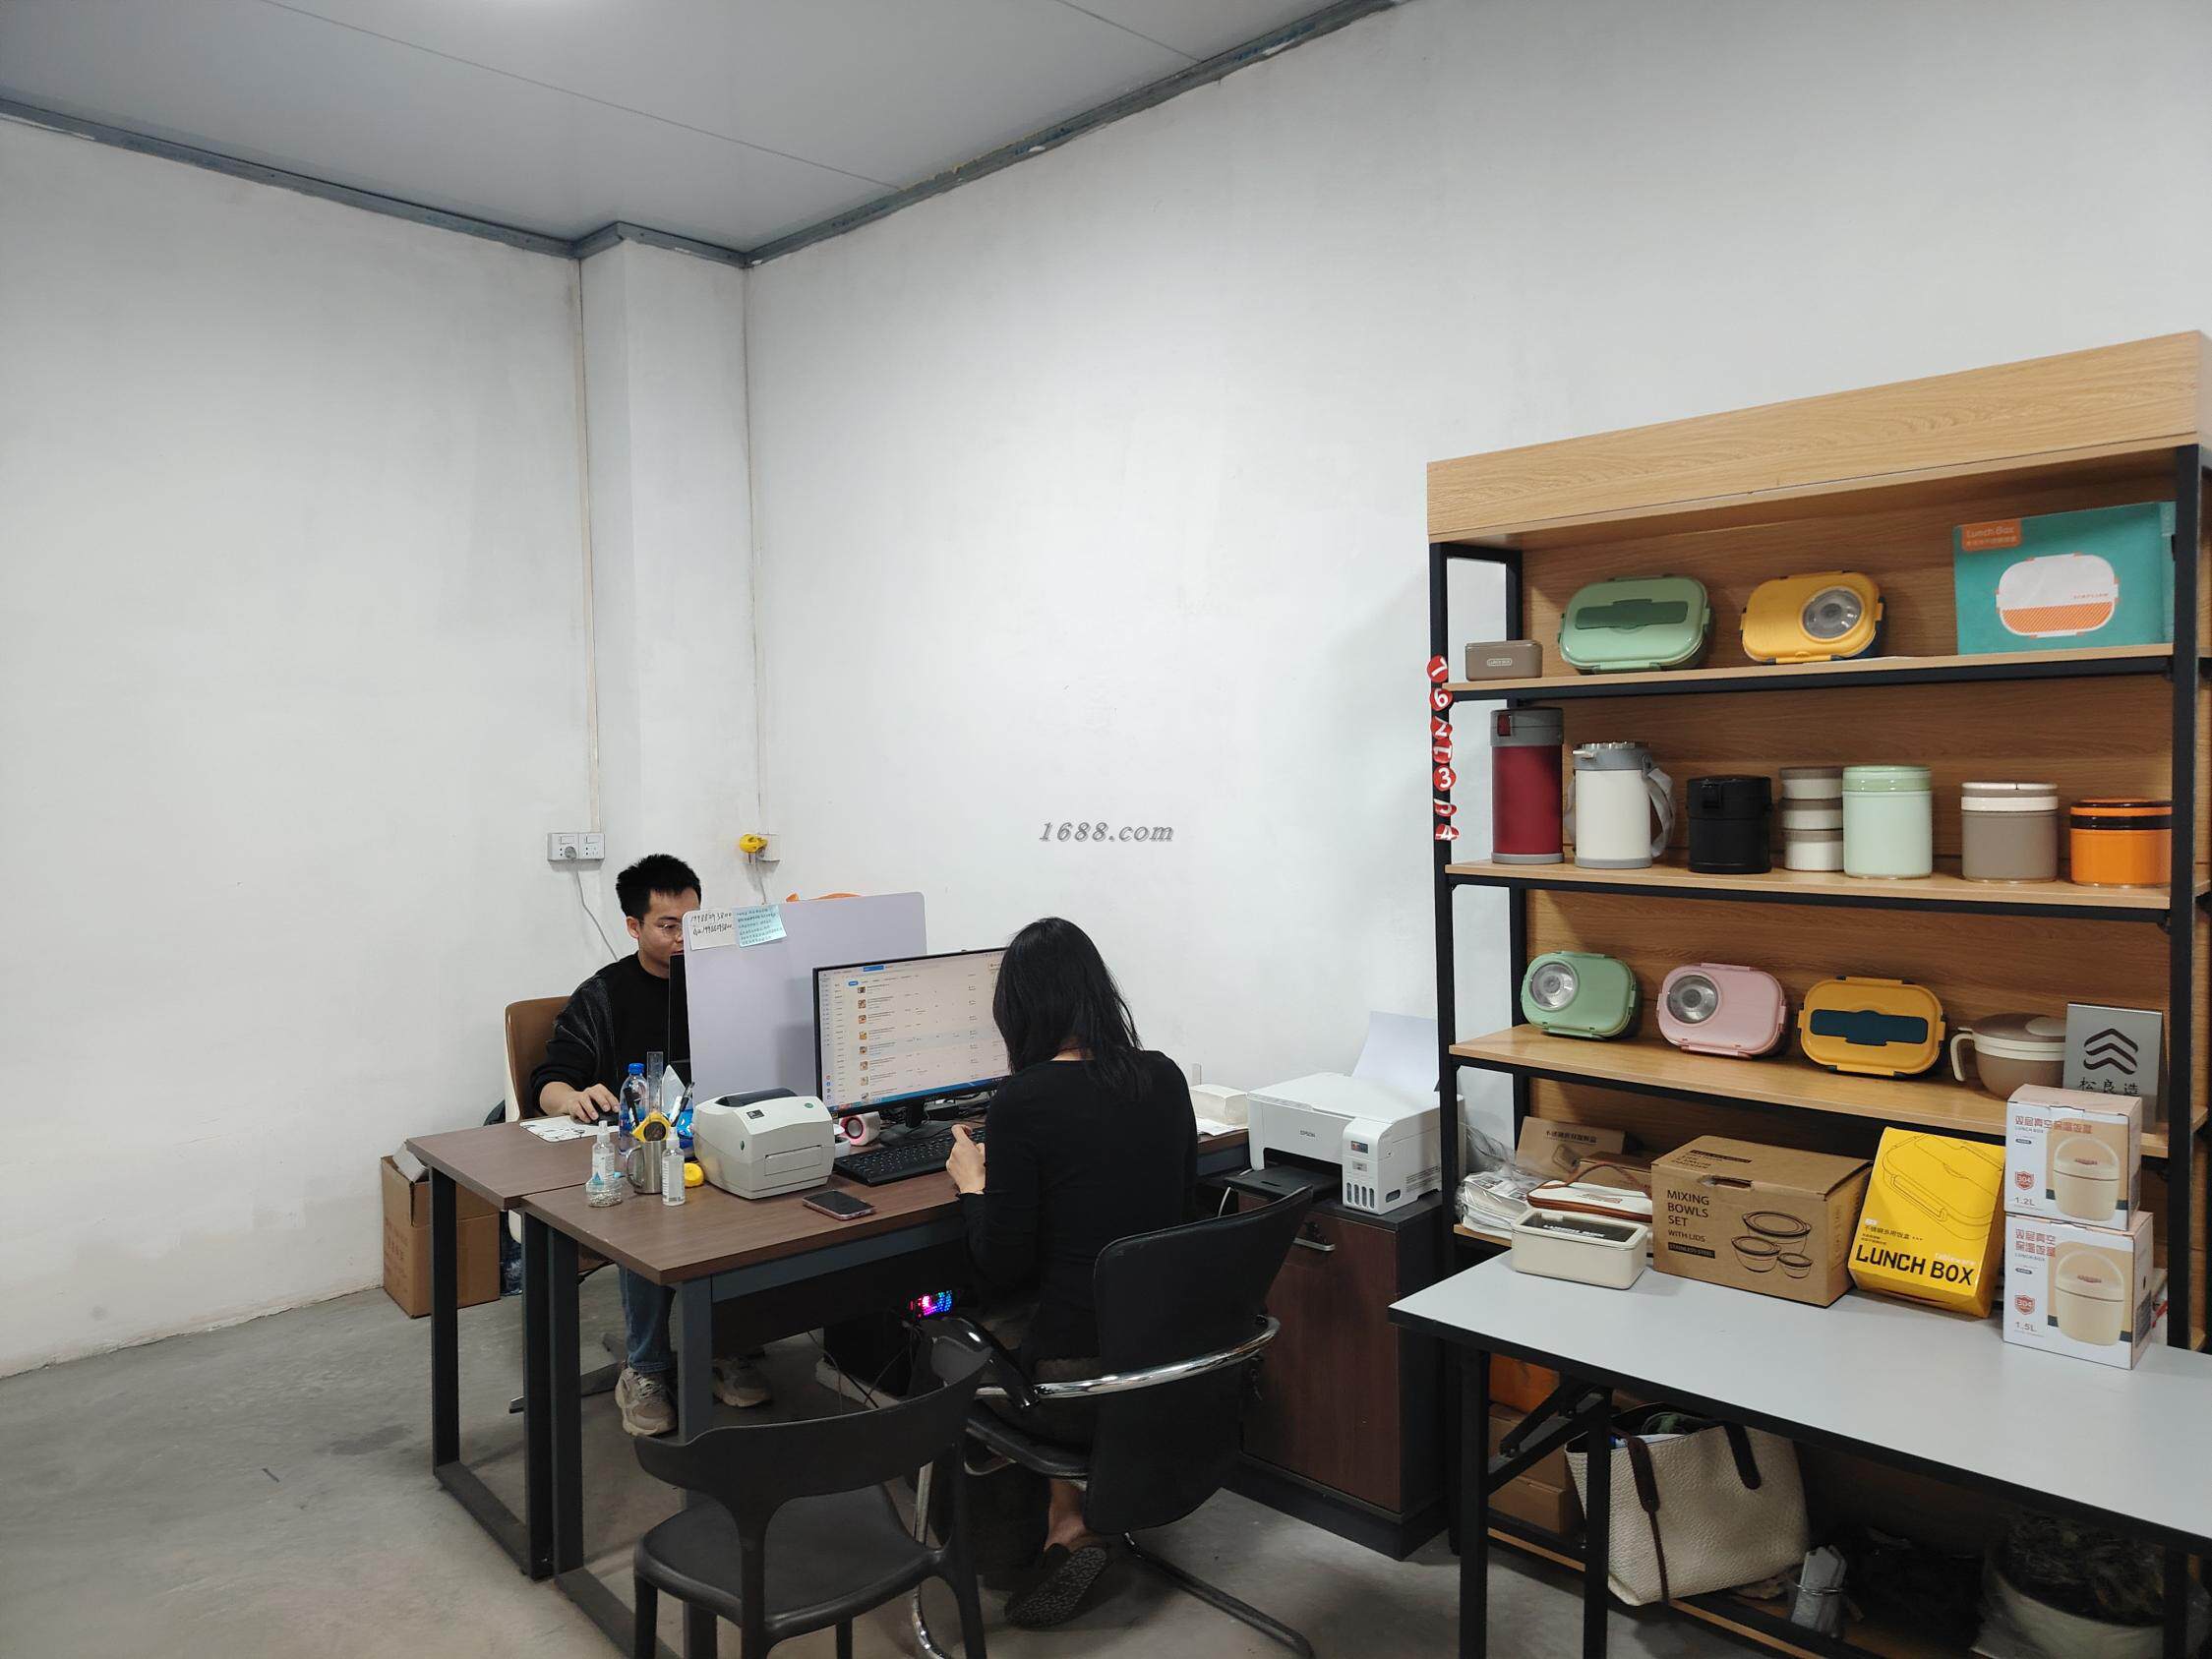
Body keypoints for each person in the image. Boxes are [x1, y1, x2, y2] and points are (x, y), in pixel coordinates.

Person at [945, 916, 1195, 1628]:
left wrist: (972, 1184)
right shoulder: (1164, 1076)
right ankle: (1068, 1522)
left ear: (1018, 1011)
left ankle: (993, 1544)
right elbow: (1179, 1215)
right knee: (1062, 1303)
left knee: (946, 1335)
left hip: (1075, 1379)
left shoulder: (1023, 1101)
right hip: (1166, 1355)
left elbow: (999, 1265)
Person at [528, 853, 770, 1437]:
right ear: (634, 927)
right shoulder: (604, 996)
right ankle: (646, 1368)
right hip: (638, 1157)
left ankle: (726, 1346)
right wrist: (574, 1097)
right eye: (668, 925)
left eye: (694, 921)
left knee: (762, 1208)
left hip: (717, 1144)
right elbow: (549, 1082)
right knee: (653, 1220)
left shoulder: (726, 983)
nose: (684, 937)